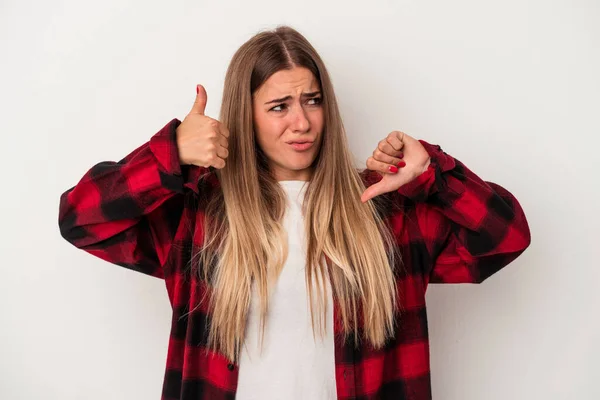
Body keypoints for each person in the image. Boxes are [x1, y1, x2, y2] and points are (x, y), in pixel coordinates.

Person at [58, 25, 531, 400]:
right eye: (279, 106)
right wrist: (171, 155)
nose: (301, 122)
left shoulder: (383, 210)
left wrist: (435, 174)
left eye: (312, 101)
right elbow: (81, 219)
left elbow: (506, 236)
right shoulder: (199, 213)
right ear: (247, 115)